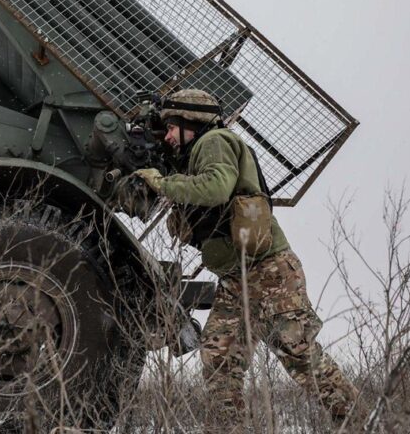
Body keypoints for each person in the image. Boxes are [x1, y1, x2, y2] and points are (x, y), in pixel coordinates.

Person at [131, 89, 359, 428]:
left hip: (269, 273)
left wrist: (163, 183)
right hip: (236, 280)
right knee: (219, 361)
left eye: (171, 128)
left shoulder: (216, 141)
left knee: (297, 354)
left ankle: (360, 423)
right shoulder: (196, 154)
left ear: (190, 122)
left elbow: (216, 189)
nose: (167, 136)